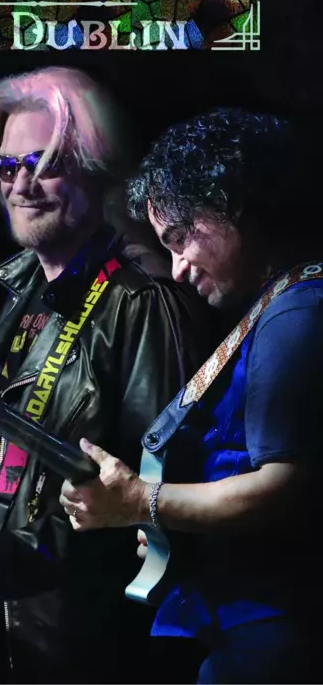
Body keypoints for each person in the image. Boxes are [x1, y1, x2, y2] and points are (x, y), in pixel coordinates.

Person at [0, 67, 217, 684]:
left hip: (95, 651)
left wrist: (2, 562)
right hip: (5, 640)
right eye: (7, 166)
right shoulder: (17, 295)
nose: (21, 185)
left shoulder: (142, 304)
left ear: (95, 170)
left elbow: (151, 506)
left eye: (44, 163)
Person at [59, 108, 322, 683]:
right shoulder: (276, 307)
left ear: (230, 205)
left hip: (272, 639)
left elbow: (287, 490)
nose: (176, 268)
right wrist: (172, 521)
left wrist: (140, 502)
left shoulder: (295, 312)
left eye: (180, 238)